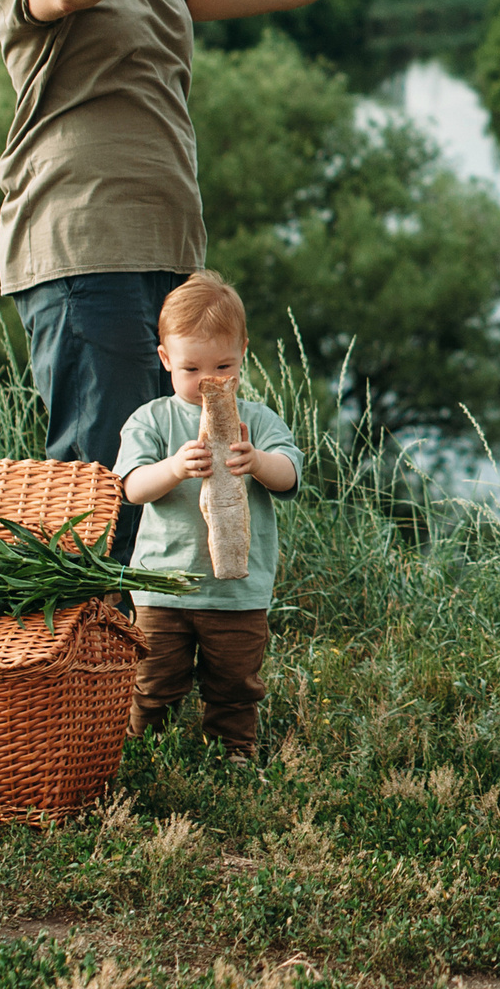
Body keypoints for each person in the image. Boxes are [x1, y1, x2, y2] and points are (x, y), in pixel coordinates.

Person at [0, 0, 473, 558]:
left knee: (172, 478)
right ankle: (84, 639)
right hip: (84, 248)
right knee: (102, 481)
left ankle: (154, 635)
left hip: (169, 252)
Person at [115, 270, 303, 760]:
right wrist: (174, 468)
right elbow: (131, 487)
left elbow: (289, 475)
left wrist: (256, 462)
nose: (207, 381)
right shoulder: (152, 419)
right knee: (154, 679)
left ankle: (233, 750)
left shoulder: (257, 420)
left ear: (243, 353)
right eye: (191, 368)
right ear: (165, 360)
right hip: (162, 585)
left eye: (223, 365)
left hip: (238, 592)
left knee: (235, 682)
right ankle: (146, 750)